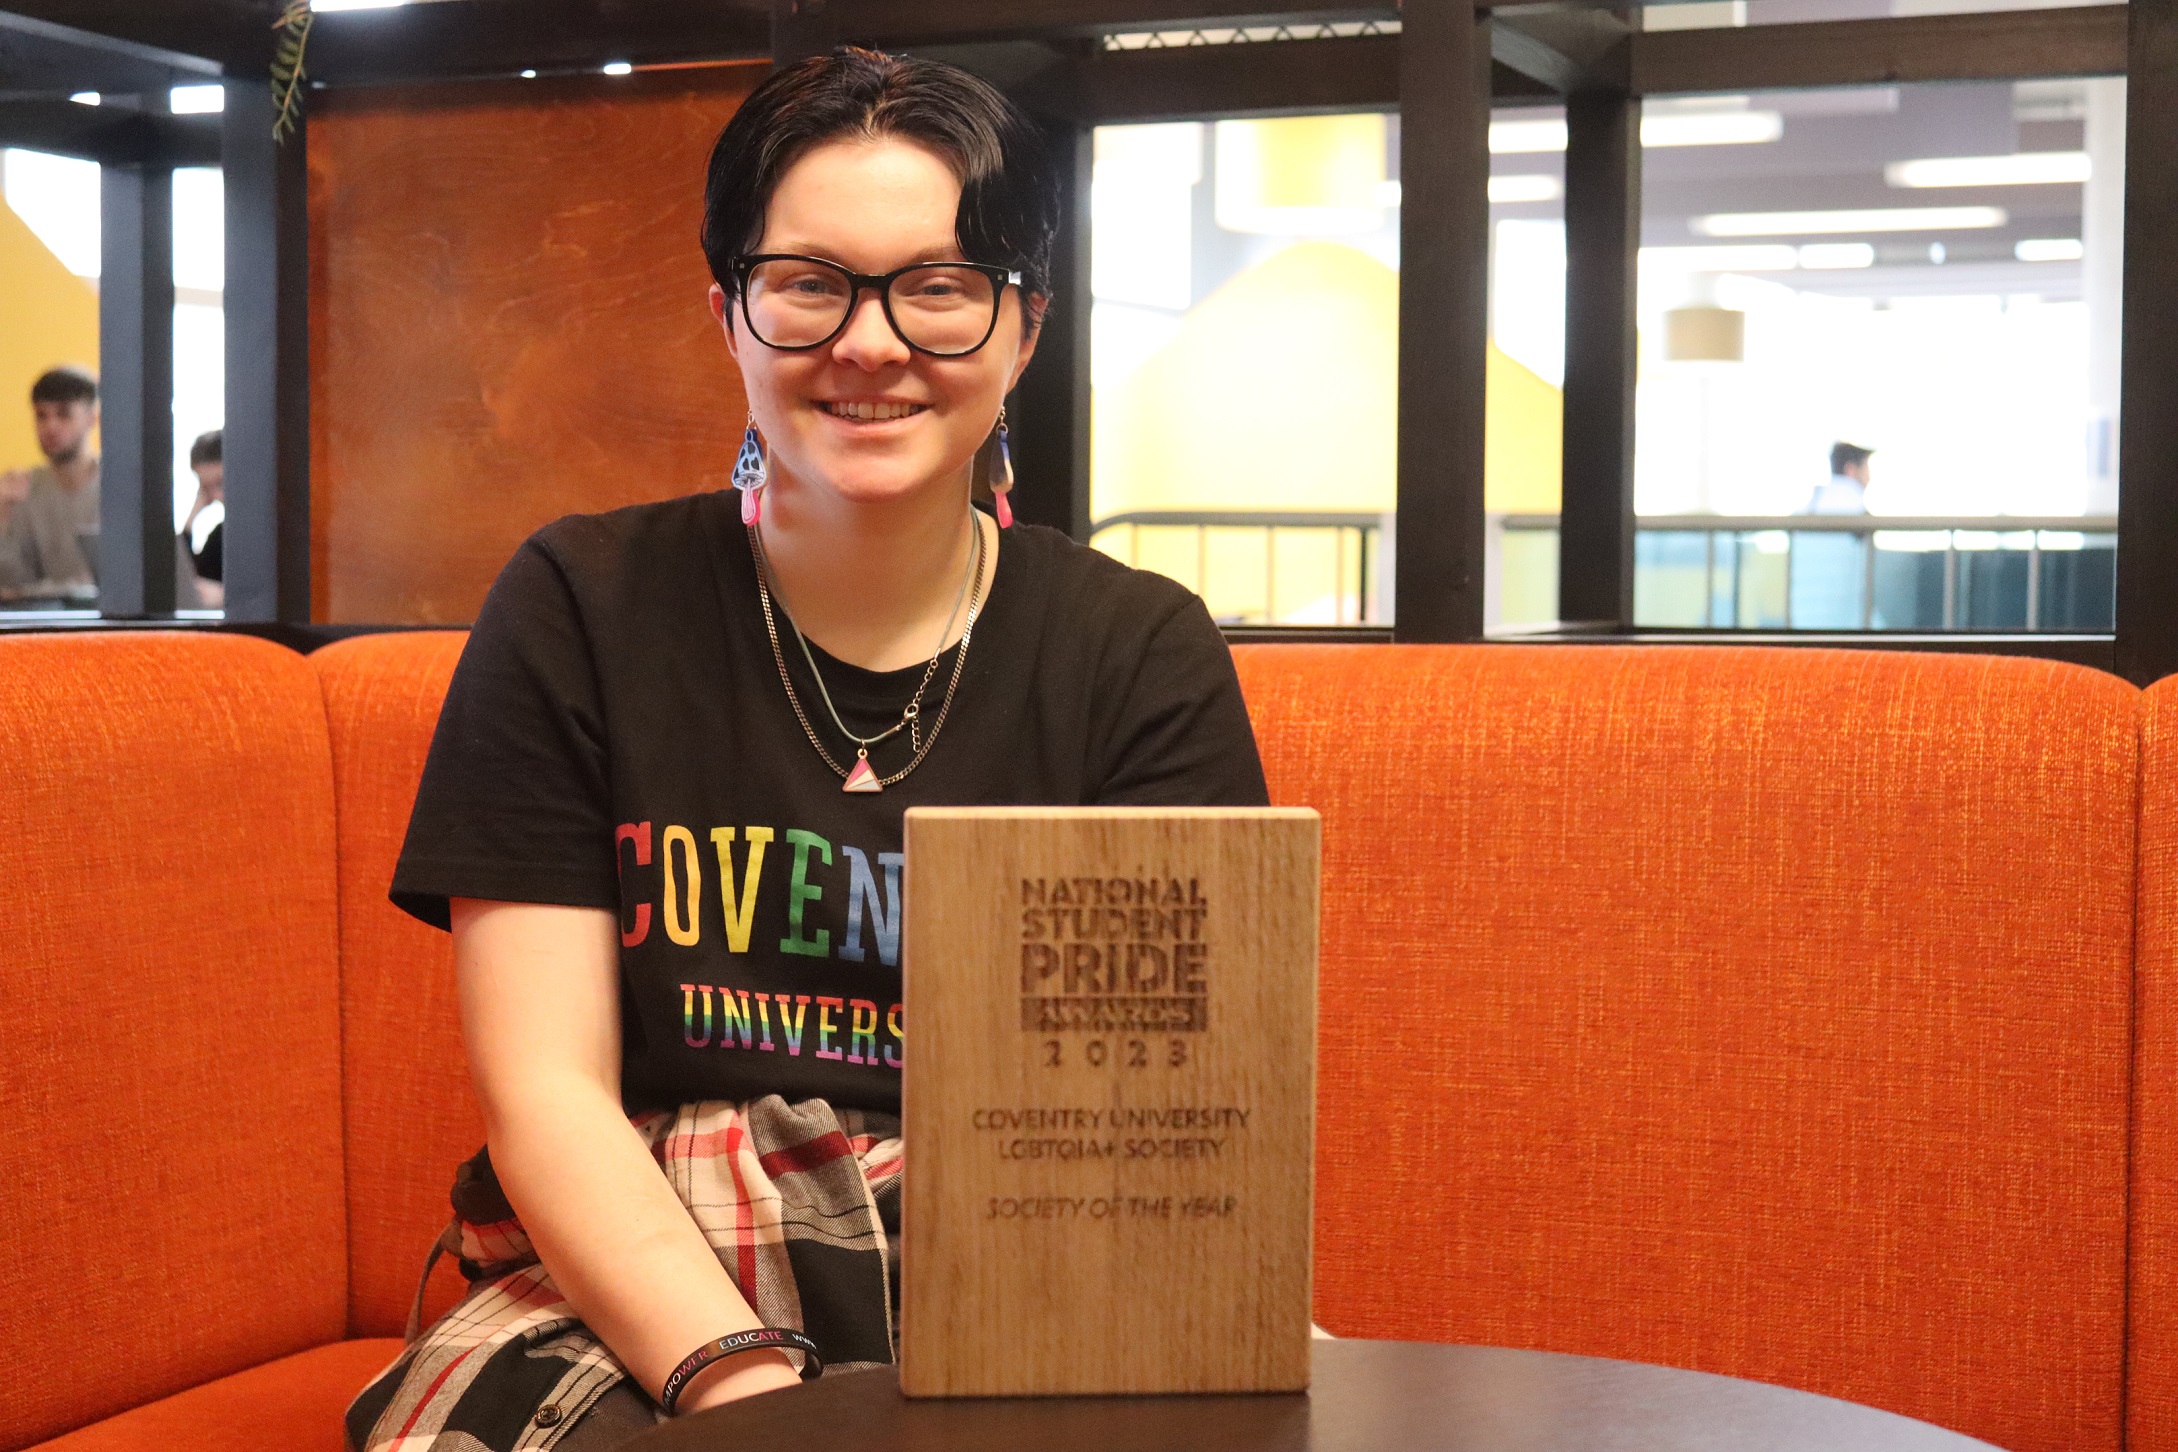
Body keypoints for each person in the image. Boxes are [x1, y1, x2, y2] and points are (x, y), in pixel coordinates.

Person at [345, 48, 1267, 1452]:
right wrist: (739, 1390)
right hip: (642, 1272)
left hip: (1014, 1249)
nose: (873, 342)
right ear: (730, 314)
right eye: (810, 284)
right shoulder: (582, 606)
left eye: (940, 287)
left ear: (1023, 328)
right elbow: (547, 1098)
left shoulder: (1135, 650)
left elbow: (1149, 1139)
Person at [0, 366, 101, 603]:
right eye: (41, 415)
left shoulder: (120, 487)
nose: (50, 427)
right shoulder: (23, 489)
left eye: (64, 414)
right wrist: (2, 515)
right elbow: (10, 586)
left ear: (92, 419)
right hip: (41, 626)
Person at [179, 429, 224, 609]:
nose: (217, 496)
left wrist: (225, 595)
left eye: (221, 483)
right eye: (206, 488)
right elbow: (186, 581)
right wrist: (191, 518)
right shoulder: (219, 536)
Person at [1804, 442, 1872, 516]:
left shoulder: (1816, 498)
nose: (1868, 478)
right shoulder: (1854, 500)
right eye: (1866, 469)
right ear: (1850, 469)